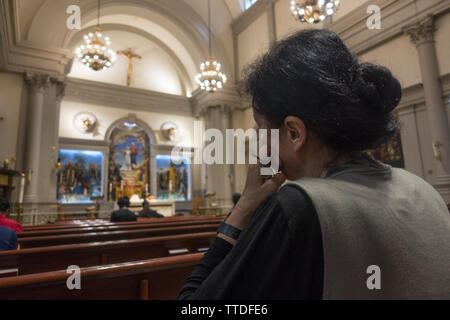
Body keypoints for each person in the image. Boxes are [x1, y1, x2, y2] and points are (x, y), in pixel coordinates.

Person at [178, 29, 450, 300]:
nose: (261, 145)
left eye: (262, 130)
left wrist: (242, 208)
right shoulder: (424, 190)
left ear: (294, 133)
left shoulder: (297, 206)